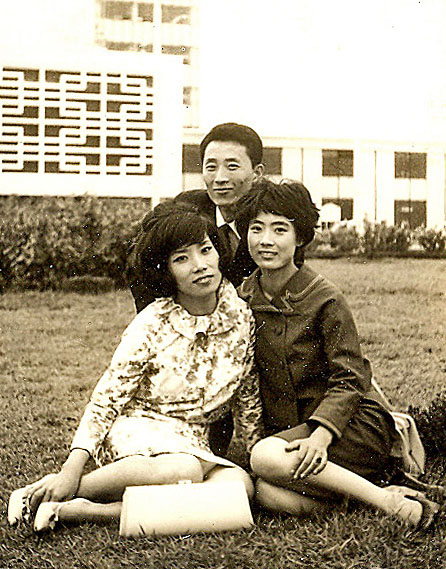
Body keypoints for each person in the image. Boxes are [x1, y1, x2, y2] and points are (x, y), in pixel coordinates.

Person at [8, 201, 263, 532]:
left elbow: (247, 395)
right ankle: (47, 492)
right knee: (182, 470)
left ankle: (83, 511)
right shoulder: (152, 323)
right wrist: (72, 469)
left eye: (205, 250)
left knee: (239, 488)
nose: (200, 265)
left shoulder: (242, 318)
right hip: (139, 429)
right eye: (182, 258)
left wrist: (256, 458)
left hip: (194, 442)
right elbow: (107, 399)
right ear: (165, 270)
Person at [235, 178, 439, 529]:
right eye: (256, 228)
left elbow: (350, 377)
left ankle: (388, 502)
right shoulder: (241, 299)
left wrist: (321, 435)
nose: (266, 240)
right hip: (294, 432)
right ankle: (368, 495)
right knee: (267, 494)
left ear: (300, 237)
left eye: (279, 229)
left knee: (264, 458)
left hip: (351, 427)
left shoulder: (324, 298)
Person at [127, 122, 265, 457]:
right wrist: (165, 325)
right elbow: (141, 264)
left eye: (232, 166)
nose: (220, 178)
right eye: (210, 166)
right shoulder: (187, 208)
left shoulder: (268, 218)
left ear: (257, 173)